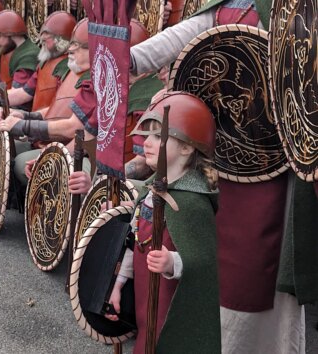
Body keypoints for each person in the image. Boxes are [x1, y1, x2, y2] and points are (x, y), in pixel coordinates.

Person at [129, 1, 311, 353]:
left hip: (271, 157)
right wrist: (129, 58)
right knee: (206, 251)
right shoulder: (226, 5)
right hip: (220, 150)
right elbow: (185, 34)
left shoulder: (295, 8)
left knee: (256, 269)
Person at [104, 91, 220, 353]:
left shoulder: (192, 202)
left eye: (159, 136)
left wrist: (173, 263)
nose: (146, 143)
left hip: (172, 308)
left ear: (187, 147)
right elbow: (137, 243)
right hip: (146, 301)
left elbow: (205, 264)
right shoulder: (149, 191)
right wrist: (119, 285)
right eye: (147, 136)